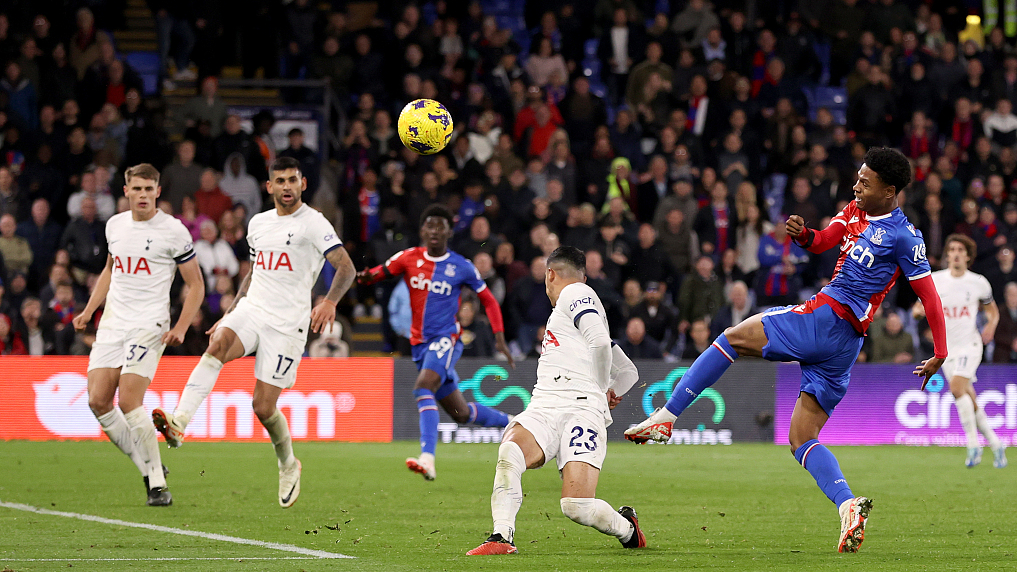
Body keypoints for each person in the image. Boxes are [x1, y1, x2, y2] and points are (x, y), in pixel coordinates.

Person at [625, 148, 949, 553]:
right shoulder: (853, 210)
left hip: (827, 319)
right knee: (801, 437)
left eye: (865, 183)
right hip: (843, 345)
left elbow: (930, 297)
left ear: (890, 190)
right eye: (858, 179)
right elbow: (823, 242)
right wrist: (803, 236)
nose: (856, 186)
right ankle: (847, 505)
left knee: (731, 338)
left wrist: (940, 351)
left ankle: (667, 417)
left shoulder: (905, 236)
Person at [151, 156, 357, 508]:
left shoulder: (314, 223)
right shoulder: (258, 223)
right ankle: (179, 421)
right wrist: (230, 312)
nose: (287, 187)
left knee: (263, 406)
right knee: (217, 344)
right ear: (269, 186)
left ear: (303, 184)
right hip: (252, 309)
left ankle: (288, 463)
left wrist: (329, 302)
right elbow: (252, 273)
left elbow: (346, 267)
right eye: (281, 181)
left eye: (293, 180)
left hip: (287, 323)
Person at [467, 246, 645, 556]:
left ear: (550, 274)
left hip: (581, 410)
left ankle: (627, 528)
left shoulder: (575, 292)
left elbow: (601, 343)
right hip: (546, 405)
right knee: (510, 450)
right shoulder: (573, 313)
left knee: (575, 506)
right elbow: (628, 371)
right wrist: (610, 387)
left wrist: (600, 389)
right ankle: (501, 536)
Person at [71, 163, 206, 506]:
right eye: (137, 188)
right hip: (114, 323)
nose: (143, 195)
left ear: (158, 192)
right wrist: (89, 310)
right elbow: (109, 270)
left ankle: (158, 485)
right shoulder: (115, 225)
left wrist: (179, 326)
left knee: (129, 401)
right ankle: (149, 467)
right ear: (126, 191)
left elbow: (196, 285)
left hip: (149, 324)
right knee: (98, 401)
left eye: (149, 189)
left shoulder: (173, 231)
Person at [357, 204, 515, 481]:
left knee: (422, 387)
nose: (434, 231)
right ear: (422, 230)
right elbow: (380, 272)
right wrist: (363, 276)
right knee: (462, 414)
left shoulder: (461, 266)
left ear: (449, 233)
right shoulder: (408, 258)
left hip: (445, 340)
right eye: (430, 225)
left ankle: (427, 458)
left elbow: (488, 299)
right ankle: (515, 423)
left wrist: (500, 337)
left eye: (440, 227)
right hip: (419, 344)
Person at [913, 234, 1007, 468]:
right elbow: (917, 307)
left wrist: (991, 326)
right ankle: (996, 444)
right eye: (951, 249)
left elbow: (992, 311)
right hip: (945, 350)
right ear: (947, 254)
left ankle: (973, 445)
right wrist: (918, 312)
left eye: (960, 250)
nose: (955, 253)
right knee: (968, 396)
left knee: (956, 388)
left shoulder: (979, 282)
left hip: (970, 345)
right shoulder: (935, 280)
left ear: (968, 256)